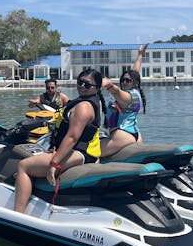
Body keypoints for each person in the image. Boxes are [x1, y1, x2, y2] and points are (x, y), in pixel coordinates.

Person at [14, 69, 105, 214]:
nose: (82, 86)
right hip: (82, 152)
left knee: (23, 166)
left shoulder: (84, 107)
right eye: (80, 82)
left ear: (97, 88)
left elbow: (72, 137)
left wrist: (54, 163)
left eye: (87, 84)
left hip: (81, 153)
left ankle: (17, 214)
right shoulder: (88, 101)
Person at [100, 44, 148, 157]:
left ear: (135, 82)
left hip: (122, 136)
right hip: (135, 135)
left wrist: (108, 84)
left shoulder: (127, 97)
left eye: (127, 80)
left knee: (90, 152)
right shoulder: (136, 92)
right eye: (123, 80)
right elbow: (135, 71)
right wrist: (140, 54)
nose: (124, 82)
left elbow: (116, 91)